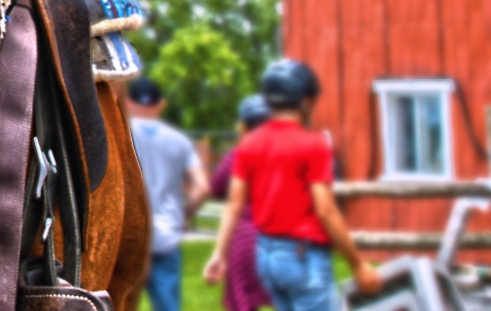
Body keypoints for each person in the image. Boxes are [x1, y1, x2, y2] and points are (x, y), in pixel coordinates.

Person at [204, 60, 383, 311]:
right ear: (306, 101)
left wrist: (219, 254)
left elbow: (234, 204)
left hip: (265, 256)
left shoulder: (249, 144)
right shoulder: (314, 145)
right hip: (302, 257)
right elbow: (326, 210)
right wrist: (357, 264)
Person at [127, 76, 210, 311]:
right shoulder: (180, 141)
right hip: (165, 235)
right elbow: (202, 187)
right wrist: (184, 215)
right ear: (160, 104)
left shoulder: (121, 136)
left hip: (129, 236)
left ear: (129, 102)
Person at [209, 95, 274, 311]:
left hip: (244, 239)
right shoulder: (285, 154)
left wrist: (219, 253)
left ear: (244, 126)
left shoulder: (237, 155)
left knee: (242, 302)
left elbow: (217, 187)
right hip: (281, 237)